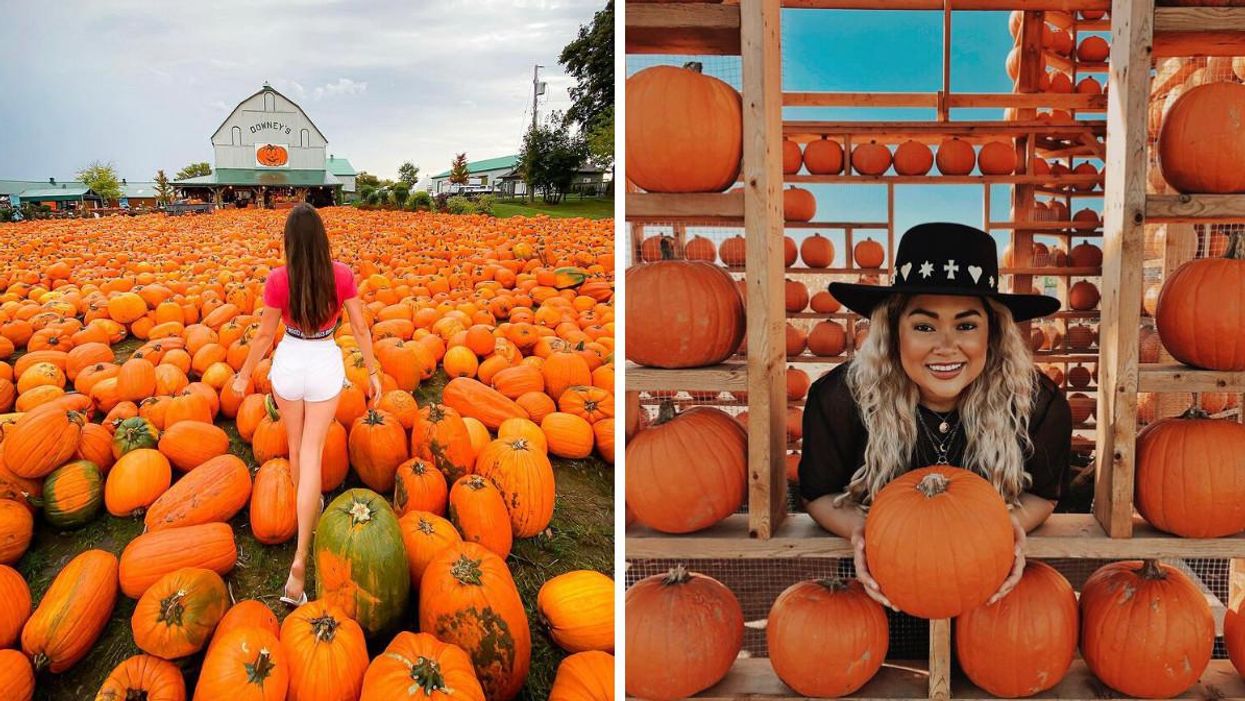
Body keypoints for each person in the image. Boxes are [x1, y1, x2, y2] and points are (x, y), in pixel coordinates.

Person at [799, 222, 1072, 613]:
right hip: (880, 588)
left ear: (993, 333)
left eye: (966, 325)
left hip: (990, 593)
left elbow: (1043, 493)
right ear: (894, 331)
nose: (946, 346)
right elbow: (818, 492)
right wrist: (865, 530)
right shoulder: (841, 399)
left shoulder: (1035, 402)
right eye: (924, 326)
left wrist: (1004, 527)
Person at [231, 203, 382, 605]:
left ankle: (307, 510)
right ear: (322, 239)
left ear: (290, 243)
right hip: (323, 363)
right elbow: (360, 327)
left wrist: (243, 375)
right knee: (312, 454)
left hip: (290, 362)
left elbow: (264, 336)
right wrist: (372, 371)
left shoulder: (278, 279)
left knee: (297, 450)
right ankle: (300, 560)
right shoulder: (342, 275)